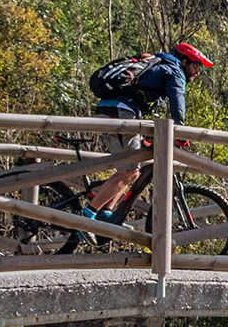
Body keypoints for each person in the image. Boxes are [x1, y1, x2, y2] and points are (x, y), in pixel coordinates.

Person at [85, 42, 211, 221]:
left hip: (108, 109)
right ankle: (88, 215)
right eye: (196, 66)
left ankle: (106, 212)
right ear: (184, 62)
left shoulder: (157, 62)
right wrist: (181, 135)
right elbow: (177, 105)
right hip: (121, 112)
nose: (197, 72)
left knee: (131, 169)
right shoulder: (174, 71)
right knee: (129, 169)